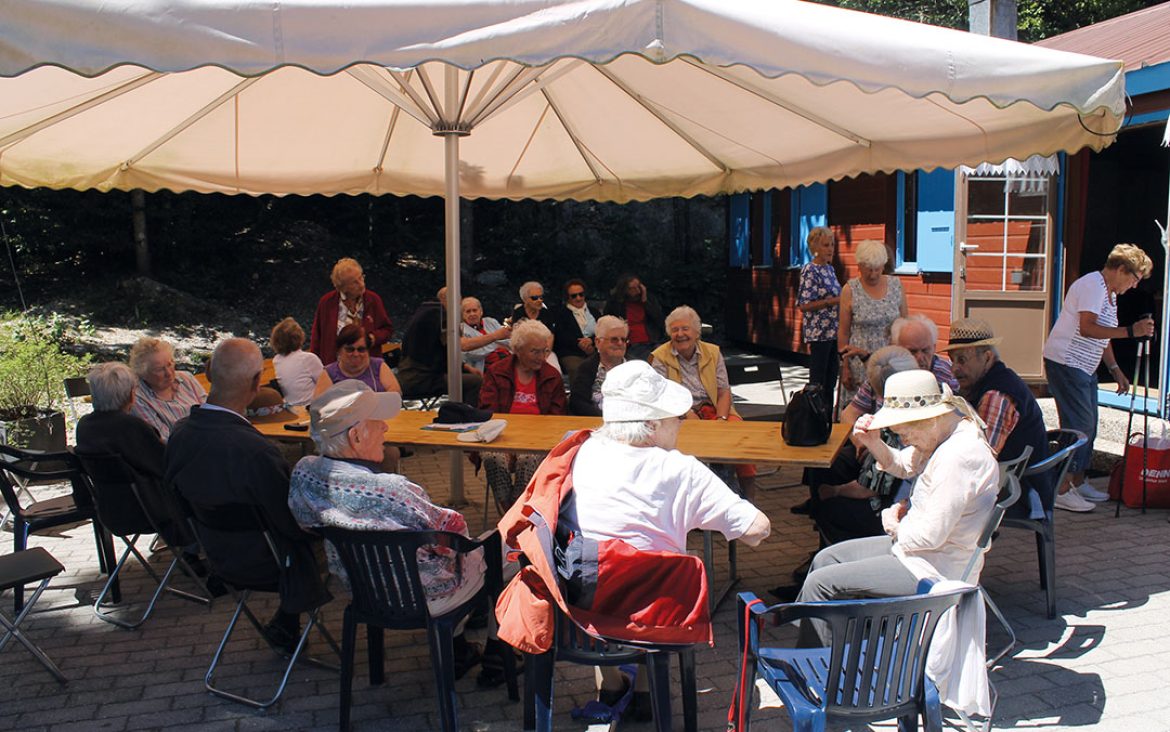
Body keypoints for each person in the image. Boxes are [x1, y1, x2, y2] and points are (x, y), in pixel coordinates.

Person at [569, 360, 770, 703]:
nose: (680, 422)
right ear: (651, 424)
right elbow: (756, 530)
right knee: (657, 565)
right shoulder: (680, 469)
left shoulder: (582, 451)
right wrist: (694, 514)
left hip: (584, 599)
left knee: (609, 551)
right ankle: (647, 690)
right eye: (674, 416)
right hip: (655, 614)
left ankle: (612, 683)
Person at [287, 380, 485, 677]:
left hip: (364, 590)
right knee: (501, 551)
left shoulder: (304, 474)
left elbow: (305, 522)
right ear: (355, 436)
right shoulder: (393, 490)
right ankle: (496, 652)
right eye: (377, 423)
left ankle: (462, 639)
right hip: (424, 595)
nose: (385, 429)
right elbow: (453, 533)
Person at [794, 369, 998, 647]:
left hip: (933, 568)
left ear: (928, 418)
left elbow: (928, 538)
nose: (903, 440)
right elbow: (903, 464)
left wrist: (893, 523)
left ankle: (815, 668)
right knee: (826, 560)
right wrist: (874, 444)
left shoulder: (957, 458)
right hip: (915, 551)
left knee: (822, 584)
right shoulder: (944, 432)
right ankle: (835, 652)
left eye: (904, 431)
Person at [165, 338, 329, 651]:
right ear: (256, 383)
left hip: (217, 556)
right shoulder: (256, 452)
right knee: (328, 538)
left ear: (209, 372)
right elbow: (293, 521)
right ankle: (296, 613)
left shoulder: (179, 434)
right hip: (269, 563)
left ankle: (287, 620)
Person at [1042, 243, 1155, 511]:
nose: (1135, 286)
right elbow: (1088, 328)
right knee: (1079, 425)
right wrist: (1132, 331)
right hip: (1067, 363)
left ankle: (1078, 482)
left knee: (1090, 425)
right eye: (1135, 278)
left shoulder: (1109, 293)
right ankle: (1061, 488)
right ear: (1120, 269)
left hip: (1084, 366)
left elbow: (1104, 336)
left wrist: (1115, 370)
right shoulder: (1093, 285)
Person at [75, 362, 193, 550]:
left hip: (113, 511)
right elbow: (167, 466)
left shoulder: (85, 426)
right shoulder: (131, 428)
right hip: (154, 510)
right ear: (130, 394)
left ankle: (193, 552)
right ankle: (199, 550)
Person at [943, 318, 1051, 519]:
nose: (954, 369)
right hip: (1005, 480)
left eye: (962, 360)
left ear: (986, 357)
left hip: (1020, 492)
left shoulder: (996, 394)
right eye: (952, 360)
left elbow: (980, 457)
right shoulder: (982, 383)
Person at [650, 306, 757, 501]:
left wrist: (722, 418)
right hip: (678, 414)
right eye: (675, 330)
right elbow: (660, 396)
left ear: (697, 332)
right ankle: (699, 500)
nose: (680, 334)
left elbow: (724, 391)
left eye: (685, 329)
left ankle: (749, 499)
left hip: (715, 409)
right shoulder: (659, 357)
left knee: (740, 436)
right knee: (689, 441)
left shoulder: (713, 352)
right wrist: (688, 412)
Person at [479, 320, 566, 509]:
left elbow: (558, 417)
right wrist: (508, 446)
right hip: (501, 437)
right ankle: (509, 506)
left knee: (529, 458)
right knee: (492, 456)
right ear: (517, 350)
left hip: (538, 439)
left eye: (544, 351)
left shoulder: (552, 376)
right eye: (535, 351)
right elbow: (487, 412)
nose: (541, 357)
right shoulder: (497, 372)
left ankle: (518, 504)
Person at [844, 314, 957, 421]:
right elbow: (848, 415)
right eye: (912, 351)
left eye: (925, 350)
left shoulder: (948, 376)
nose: (920, 357)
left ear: (934, 348)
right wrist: (863, 441)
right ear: (896, 348)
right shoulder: (885, 371)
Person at [838, 240, 907, 401]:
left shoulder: (896, 285)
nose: (873, 274)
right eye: (868, 270)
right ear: (859, 266)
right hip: (859, 363)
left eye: (878, 269)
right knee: (861, 409)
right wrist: (845, 367)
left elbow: (905, 323)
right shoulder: (850, 290)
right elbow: (843, 332)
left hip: (890, 360)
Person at [397, 287, 483, 406]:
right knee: (475, 382)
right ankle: (467, 416)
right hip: (420, 379)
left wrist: (465, 367)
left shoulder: (425, 311)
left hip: (408, 375)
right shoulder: (440, 316)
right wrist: (497, 336)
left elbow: (439, 350)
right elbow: (462, 345)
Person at [309, 257, 394, 366]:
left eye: (361, 278)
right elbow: (316, 338)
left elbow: (387, 330)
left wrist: (372, 338)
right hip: (334, 367)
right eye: (354, 282)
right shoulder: (327, 302)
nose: (362, 284)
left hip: (367, 366)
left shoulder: (373, 299)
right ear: (343, 287)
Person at [128, 336, 207, 442]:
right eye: (159, 369)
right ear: (142, 373)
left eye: (170, 364)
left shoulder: (186, 378)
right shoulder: (137, 397)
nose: (169, 373)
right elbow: (163, 439)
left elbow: (210, 413)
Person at [797, 226, 842, 399]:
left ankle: (827, 419)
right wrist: (832, 301)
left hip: (833, 331)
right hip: (819, 333)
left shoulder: (830, 269)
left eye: (832, 244)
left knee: (831, 380)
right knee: (818, 381)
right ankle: (814, 418)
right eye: (825, 245)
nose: (830, 249)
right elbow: (804, 304)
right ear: (815, 248)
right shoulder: (810, 270)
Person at [313, 324, 402, 397]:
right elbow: (318, 405)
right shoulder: (328, 373)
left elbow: (395, 393)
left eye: (361, 349)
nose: (356, 354)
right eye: (350, 349)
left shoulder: (379, 366)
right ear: (339, 350)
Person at [569, 315, 629, 417]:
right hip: (596, 423)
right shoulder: (586, 368)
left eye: (623, 340)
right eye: (614, 339)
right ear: (598, 342)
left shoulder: (637, 367)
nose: (620, 343)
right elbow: (577, 403)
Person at [604, 274, 664, 361]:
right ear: (625, 290)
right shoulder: (616, 303)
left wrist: (645, 301)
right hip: (632, 343)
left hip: (653, 340)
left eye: (639, 286)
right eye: (632, 288)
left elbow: (659, 319)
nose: (637, 290)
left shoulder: (648, 299)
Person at [552, 278, 601, 382]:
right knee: (578, 369)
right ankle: (579, 396)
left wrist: (591, 341)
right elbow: (561, 337)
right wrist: (582, 344)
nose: (578, 298)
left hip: (595, 350)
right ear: (567, 297)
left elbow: (603, 331)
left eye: (581, 294)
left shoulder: (594, 312)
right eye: (574, 296)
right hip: (571, 353)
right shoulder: (561, 314)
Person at [269, 317, 323, 406]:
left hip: (292, 409)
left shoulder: (276, 360)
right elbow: (326, 385)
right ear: (299, 337)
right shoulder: (308, 358)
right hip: (312, 408)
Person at [460, 296, 511, 375]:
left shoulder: (491, 321)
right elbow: (473, 354)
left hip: (507, 360)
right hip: (485, 369)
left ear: (481, 311)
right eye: (468, 311)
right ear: (462, 314)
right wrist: (496, 341)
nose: (472, 314)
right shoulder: (461, 329)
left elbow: (508, 342)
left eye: (474, 310)